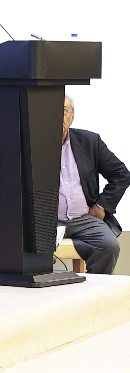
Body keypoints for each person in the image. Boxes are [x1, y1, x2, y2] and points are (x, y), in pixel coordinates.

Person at [58, 96, 129, 274]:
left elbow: (121, 174)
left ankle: (93, 289)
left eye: (64, 111)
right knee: (31, 250)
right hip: (48, 221)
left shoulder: (90, 141)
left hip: (84, 218)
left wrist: (102, 205)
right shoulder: (33, 144)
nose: (59, 116)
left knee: (109, 246)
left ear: (72, 116)